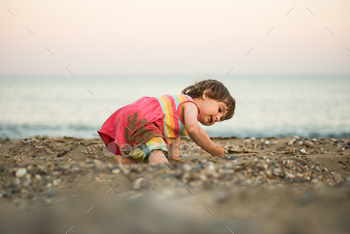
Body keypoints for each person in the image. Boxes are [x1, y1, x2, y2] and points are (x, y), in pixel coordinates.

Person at [97, 79, 236, 165]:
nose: (218, 118)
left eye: (221, 119)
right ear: (206, 94)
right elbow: (194, 129)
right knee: (156, 153)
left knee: (149, 152)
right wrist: (213, 149)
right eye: (219, 110)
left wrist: (174, 159)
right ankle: (160, 168)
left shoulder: (180, 112)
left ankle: (122, 160)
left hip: (131, 117)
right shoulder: (190, 105)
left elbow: (173, 145)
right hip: (145, 120)